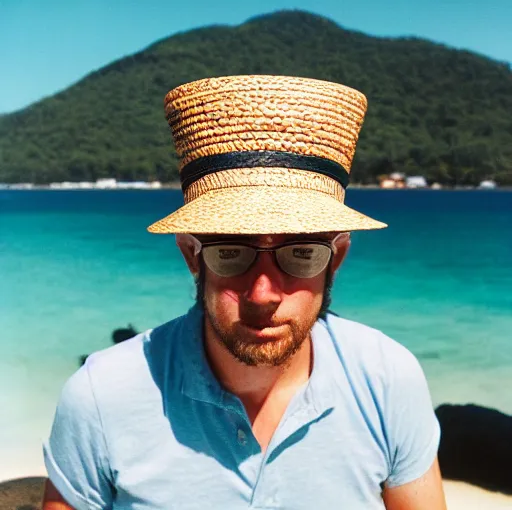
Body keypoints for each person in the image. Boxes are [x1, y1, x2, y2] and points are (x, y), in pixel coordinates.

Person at [42, 75, 447, 509]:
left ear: (338, 256)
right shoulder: (102, 396)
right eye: (231, 252)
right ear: (191, 256)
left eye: (301, 253)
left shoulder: (386, 380)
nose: (263, 293)